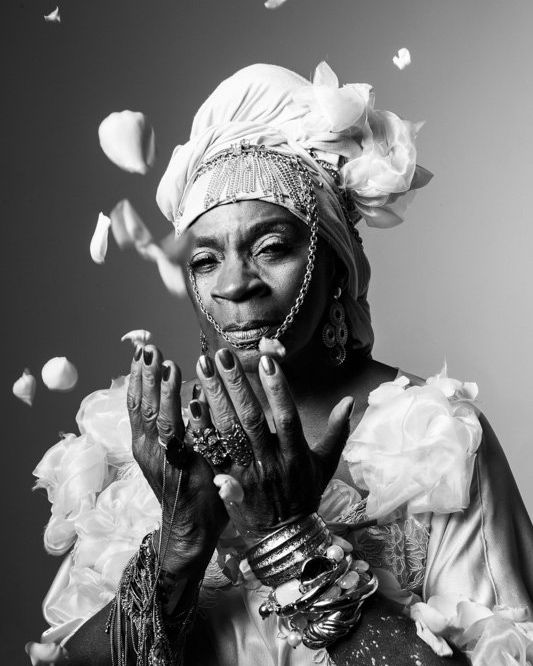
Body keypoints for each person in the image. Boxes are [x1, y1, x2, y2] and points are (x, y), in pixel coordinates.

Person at [28, 63, 533, 666]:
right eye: (205, 261)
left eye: (271, 248)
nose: (234, 284)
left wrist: (292, 540)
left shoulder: (433, 440)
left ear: (336, 266)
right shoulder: (145, 447)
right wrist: (177, 550)